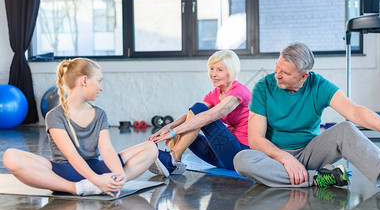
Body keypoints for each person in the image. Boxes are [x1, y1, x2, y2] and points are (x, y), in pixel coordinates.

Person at [233, 42, 380, 196]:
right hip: (274, 158)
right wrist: (285, 159)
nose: (277, 75)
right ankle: (318, 179)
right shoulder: (263, 87)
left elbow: (354, 111)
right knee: (242, 160)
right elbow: (256, 139)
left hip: (310, 153)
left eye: (285, 73)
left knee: (345, 128)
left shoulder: (317, 85)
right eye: (277, 68)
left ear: (303, 76)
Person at [3, 58, 158, 197]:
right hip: (66, 172)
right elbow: (71, 154)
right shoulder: (54, 115)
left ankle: (111, 184)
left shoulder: (100, 114)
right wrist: (96, 180)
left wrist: (119, 174)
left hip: (97, 168)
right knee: (10, 157)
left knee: (151, 147)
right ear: (84, 80)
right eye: (99, 81)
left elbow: (107, 150)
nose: (101, 87)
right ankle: (77, 188)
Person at [149, 49, 251, 175]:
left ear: (231, 71)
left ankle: (172, 158)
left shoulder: (239, 91)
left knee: (197, 113)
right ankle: (175, 164)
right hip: (221, 156)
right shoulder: (214, 95)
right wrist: (169, 126)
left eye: (219, 70)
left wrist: (173, 132)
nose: (213, 74)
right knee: (188, 124)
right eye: (212, 69)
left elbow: (212, 115)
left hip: (240, 155)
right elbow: (194, 116)